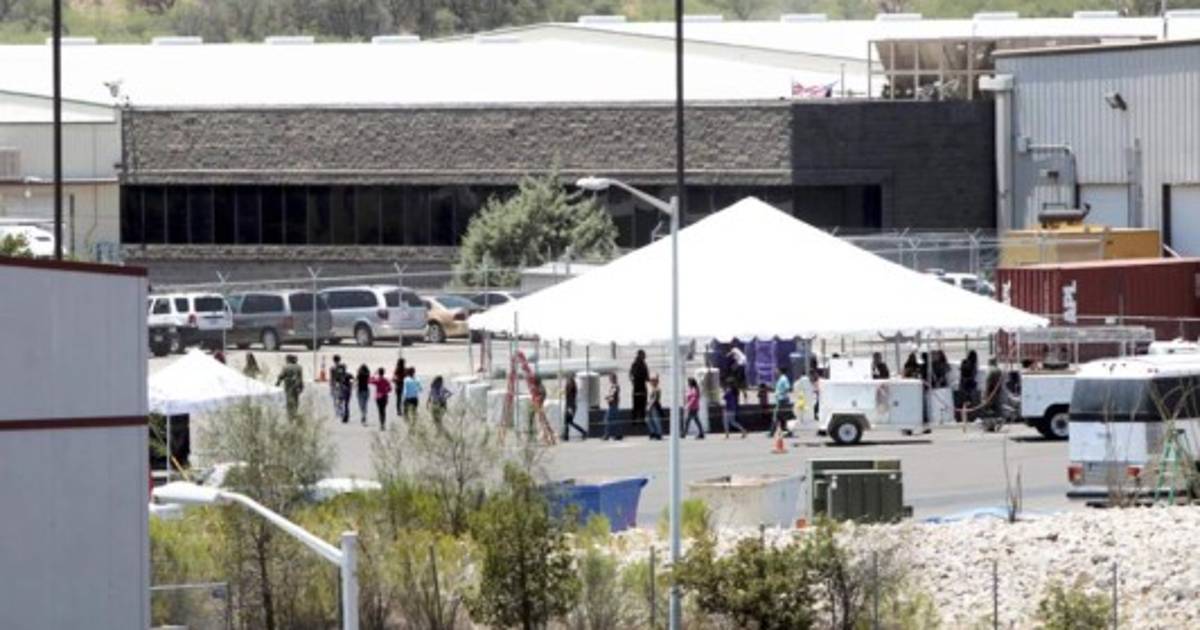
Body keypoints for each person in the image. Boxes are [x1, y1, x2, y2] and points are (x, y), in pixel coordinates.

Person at [275, 354, 304, 419]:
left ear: (288, 360)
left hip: (288, 385)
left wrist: (278, 383)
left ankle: (290, 415)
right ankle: (295, 412)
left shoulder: (286, 367)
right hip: (296, 386)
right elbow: (300, 378)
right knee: (296, 400)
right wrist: (301, 387)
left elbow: (281, 376)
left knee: (289, 400)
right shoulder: (299, 367)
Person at [562, 374, 588, 441]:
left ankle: (582, 432)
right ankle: (566, 436)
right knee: (568, 422)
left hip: (570, 406)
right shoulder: (571, 389)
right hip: (570, 406)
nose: (567, 382)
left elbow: (570, 399)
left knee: (568, 422)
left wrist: (569, 408)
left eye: (568, 381)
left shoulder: (571, 390)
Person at [770, 368, 793, 438]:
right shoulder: (780, 379)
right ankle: (786, 431)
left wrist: (781, 393)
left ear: (780, 371)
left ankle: (772, 432)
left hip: (782, 400)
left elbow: (787, 388)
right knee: (782, 417)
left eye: (776, 371)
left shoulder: (784, 379)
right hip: (780, 399)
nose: (775, 372)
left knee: (776, 415)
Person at [629, 349, 650, 430]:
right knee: (642, 405)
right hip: (641, 388)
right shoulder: (643, 365)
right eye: (643, 355)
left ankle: (634, 421)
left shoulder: (634, 364)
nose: (645, 356)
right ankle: (641, 420)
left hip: (636, 388)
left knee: (636, 405)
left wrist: (633, 382)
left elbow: (630, 375)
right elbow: (647, 377)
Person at [958, 350, 980, 421]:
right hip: (969, 386)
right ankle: (969, 418)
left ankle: (964, 419)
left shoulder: (964, 362)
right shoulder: (973, 364)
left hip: (963, 385)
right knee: (969, 404)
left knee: (963, 404)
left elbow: (961, 373)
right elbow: (972, 376)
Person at [603, 373, 623, 441]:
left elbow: (613, 395)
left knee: (607, 419)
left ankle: (607, 435)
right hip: (614, 405)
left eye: (611, 378)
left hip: (612, 405)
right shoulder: (615, 386)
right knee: (615, 420)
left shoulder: (615, 386)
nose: (610, 379)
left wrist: (608, 398)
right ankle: (618, 434)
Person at [646, 374, 664, 440]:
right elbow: (650, 398)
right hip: (650, 406)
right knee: (648, 420)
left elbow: (655, 399)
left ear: (656, 382)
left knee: (656, 420)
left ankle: (659, 433)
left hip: (654, 406)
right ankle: (653, 432)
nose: (651, 382)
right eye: (651, 381)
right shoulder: (651, 389)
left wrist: (649, 406)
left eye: (653, 381)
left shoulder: (657, 389)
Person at [330, 355, 348, 419]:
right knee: (339, 399)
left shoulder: (333, 368)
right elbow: (344, 375)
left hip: (337, 385)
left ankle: (339, 412)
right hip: (340, 385)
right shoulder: (342, 367)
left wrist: (331, 386)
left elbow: (332, 378)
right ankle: (340, 411)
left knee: (337, 399)